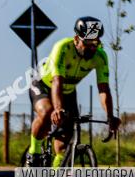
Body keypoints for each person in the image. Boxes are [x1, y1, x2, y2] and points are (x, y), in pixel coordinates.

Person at [26, 17, 120, 167]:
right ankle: (34, 150)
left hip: (68, 92)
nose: (92, 48)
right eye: (87, 43)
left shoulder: (100, 56)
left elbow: (104, 89)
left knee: (64, 146)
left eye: (95, 43)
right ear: (76, 39)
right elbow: (57, 81)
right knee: (47, 112)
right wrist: (57, 109)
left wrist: (110, 116)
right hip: (44, 85)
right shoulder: (62, 47)